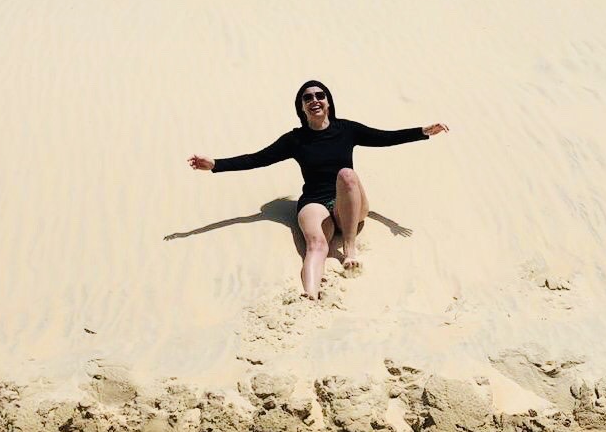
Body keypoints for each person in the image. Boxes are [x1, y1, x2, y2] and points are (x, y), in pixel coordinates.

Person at [188, 80, 448, 299]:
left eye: (320, 95)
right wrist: (215, 165)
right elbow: (256, 159)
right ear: (301, 107)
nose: (315, 100)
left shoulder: (346, 129)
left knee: (346, 175)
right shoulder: (295, 139)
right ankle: (309, 296)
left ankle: (349, 249)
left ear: (328, 102)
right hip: (314, 201)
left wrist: (422, 132)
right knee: (315, 244)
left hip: (348, 201)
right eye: (307, 97)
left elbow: (386, 138)